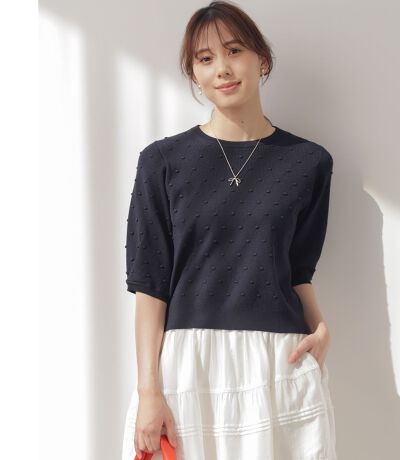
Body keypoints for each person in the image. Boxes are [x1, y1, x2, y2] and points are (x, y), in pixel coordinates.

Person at [121, 2, 337, 459]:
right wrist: (148, 392)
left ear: (262, 60)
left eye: (234, 51)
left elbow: (298, 270)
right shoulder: (161, 162)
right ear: (194, 75)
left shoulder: (309, 163)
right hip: (188, 366)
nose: (222, 68)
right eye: (205, 59)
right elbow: (150, 286)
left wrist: (320, 326)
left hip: (277, 362)